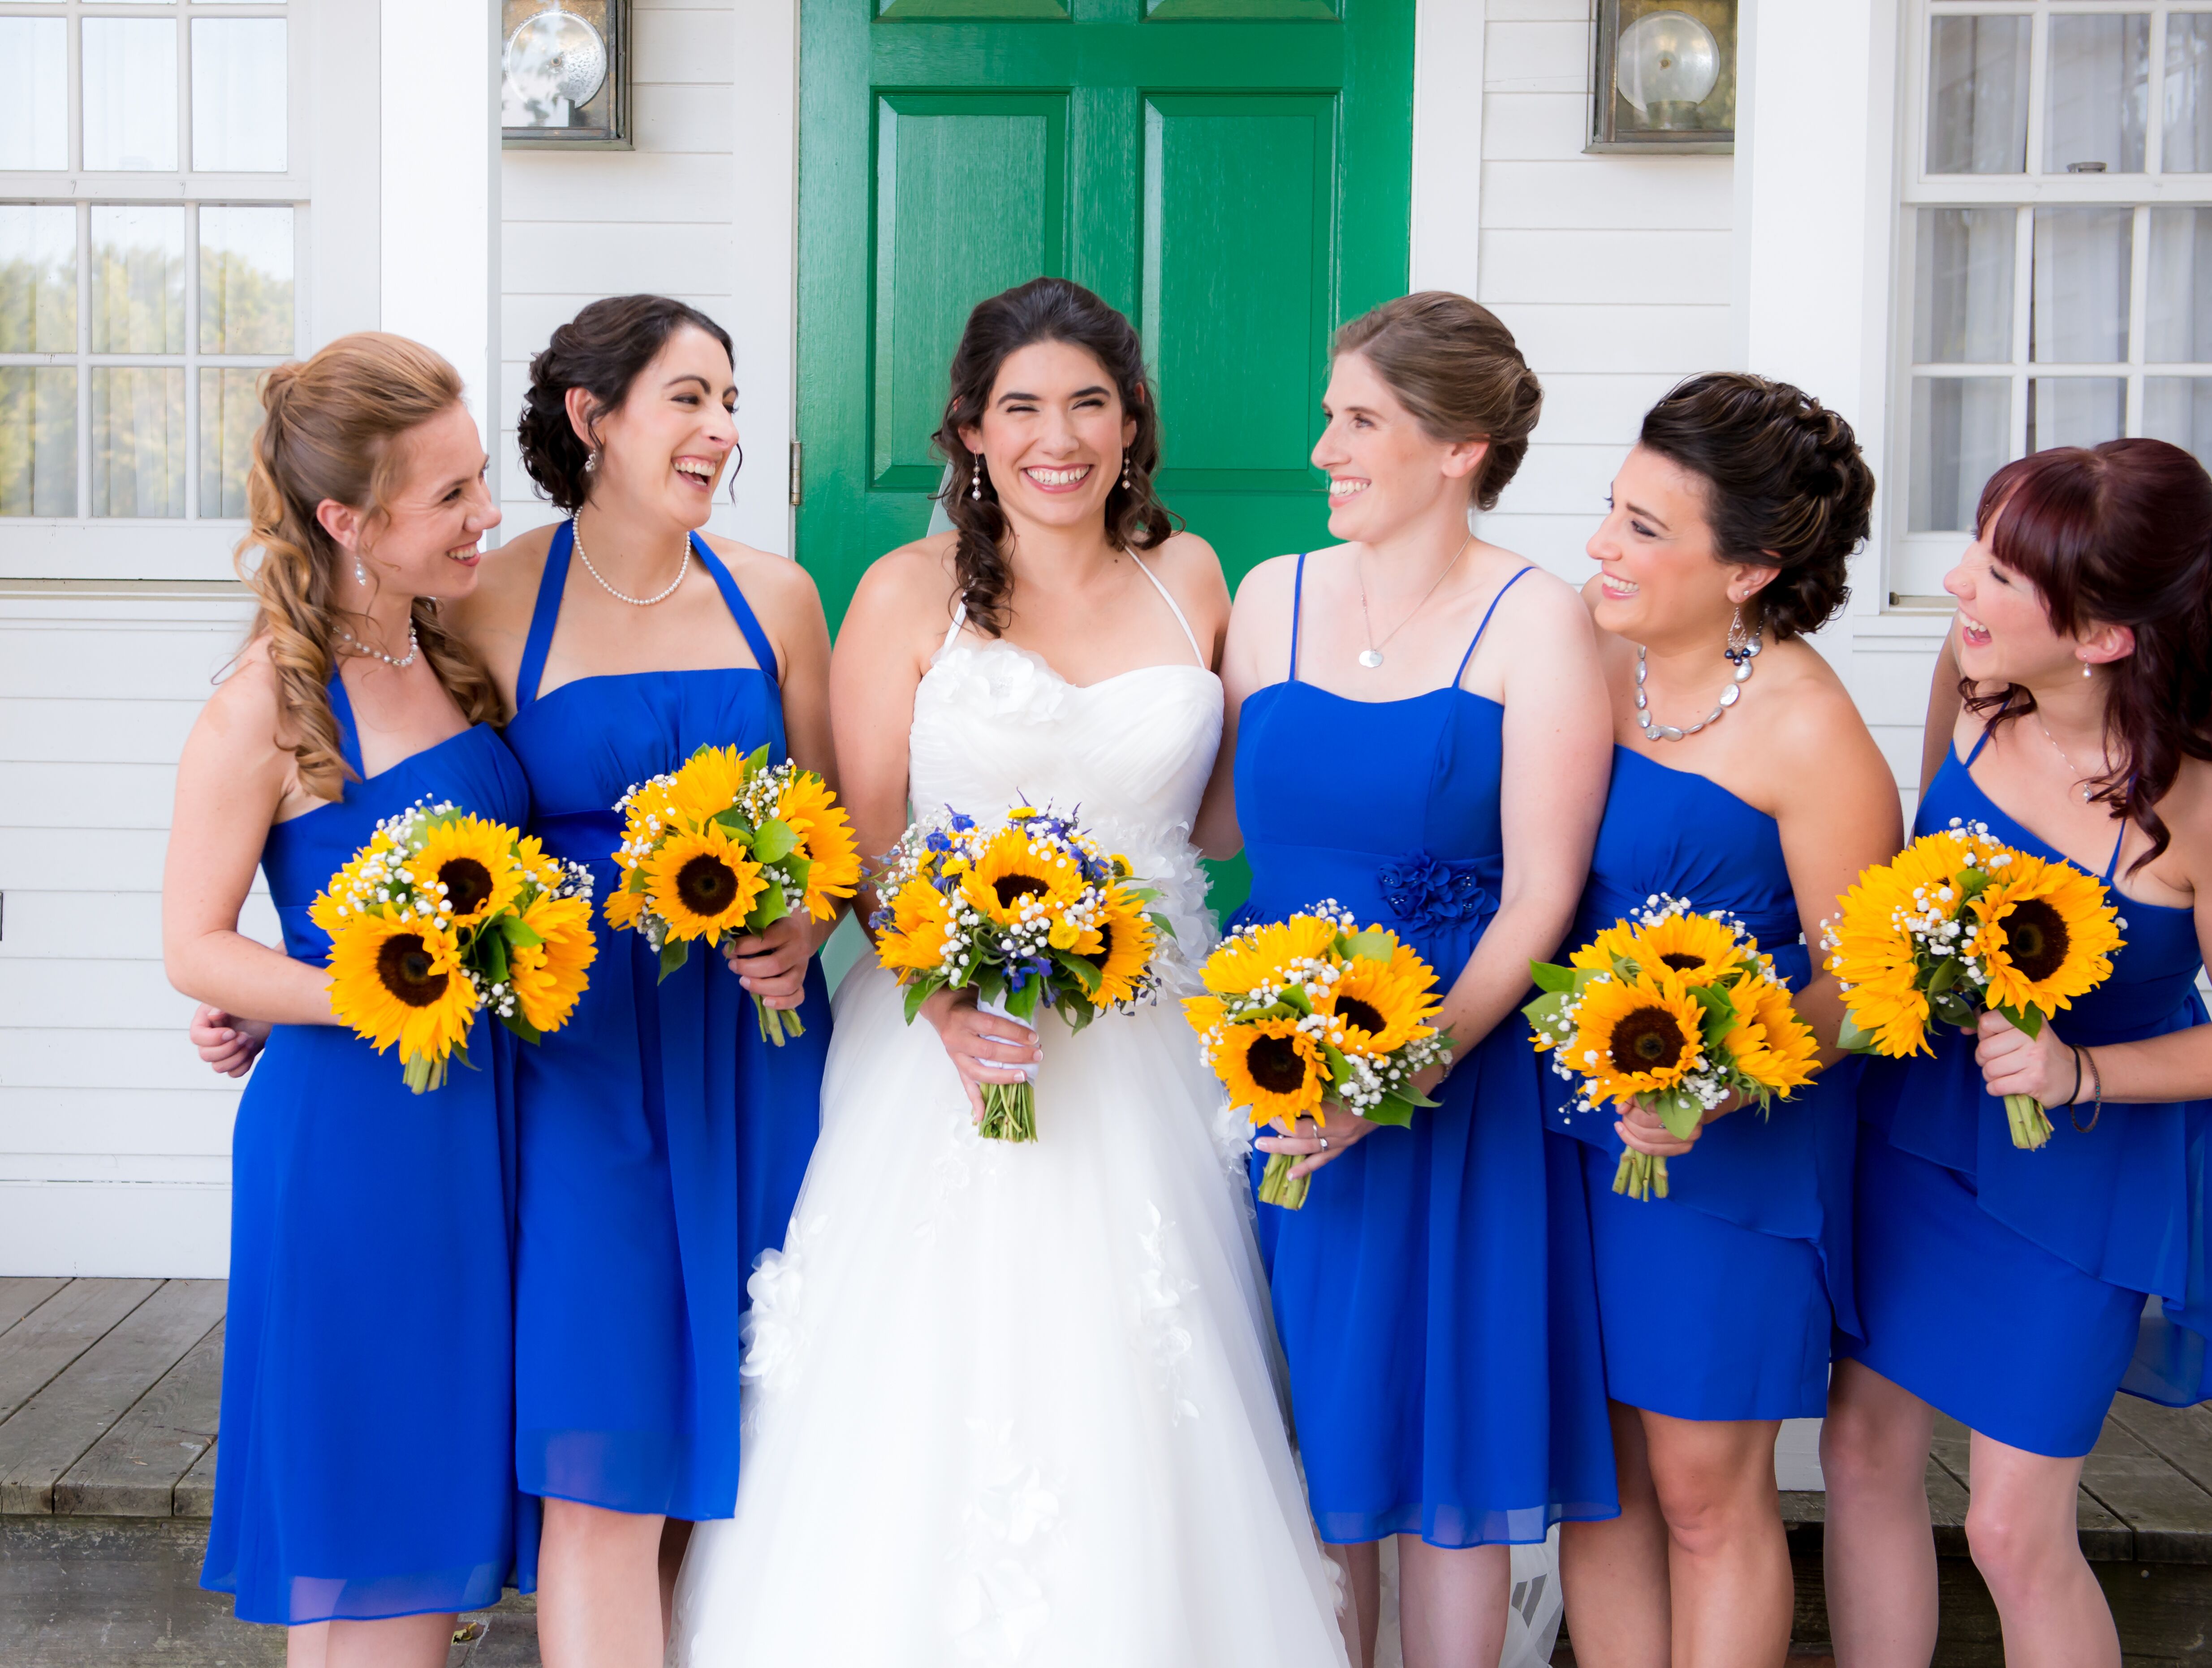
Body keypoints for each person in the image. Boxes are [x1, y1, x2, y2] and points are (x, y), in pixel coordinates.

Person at [667, 277, 1348, 1665]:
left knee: (1141, 1374)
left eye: (1090, 403)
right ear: (970, 429)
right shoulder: (904, 591)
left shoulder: (1199, 576)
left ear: (1130, 420)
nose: (1059, 437)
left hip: (1148, 1040)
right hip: (944, 1040)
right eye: (1023, 406)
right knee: (928, 1372)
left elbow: (1225, 813)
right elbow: (864, 834)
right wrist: (951, 988)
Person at [1818, 439, 2212, 1668]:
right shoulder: (1976, 682)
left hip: (2083, 1173)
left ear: (2103, 635)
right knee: (1858, 1454)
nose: (1956, 588)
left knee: (2009, 1528)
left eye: (2000, 573)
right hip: (1915, 1128)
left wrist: (2076, 1074)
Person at [1198, 290, 1618, 1668]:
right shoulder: (1268, 599)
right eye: (1331, 414)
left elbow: (1542, 893)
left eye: (1359, 420)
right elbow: (1199, 831)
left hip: (1453, 1090)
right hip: (1266, 1076)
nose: (1323, 446)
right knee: (1302, 1445)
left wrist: (1395, 1073)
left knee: (1445, 1461)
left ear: (1461, 447)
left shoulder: (1537, 620)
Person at [449, 295, 837, 1668]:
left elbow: (834, 826)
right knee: (602, 1438)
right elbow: (404, 810)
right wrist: (273, 975)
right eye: (688, 398)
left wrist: (803, 922)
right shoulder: (490, 596)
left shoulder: (774, 593)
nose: (722, 429)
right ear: (591, 417)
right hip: (583, 1065)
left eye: (729, 398)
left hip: (758, 1048)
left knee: (755, 1420)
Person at [163, 334, 532, 1665]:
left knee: (412, 1540)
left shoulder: (447, 650)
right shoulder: (264, 700)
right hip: (356, 1154)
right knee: (375, 1545)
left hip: (473, 1140)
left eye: (479, 477)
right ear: (346, 519)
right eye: (451, 494)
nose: (486, 512)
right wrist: (362, 990)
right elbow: (198, 946)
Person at [1544, 373, 1895, 1668]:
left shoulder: (1809, 733)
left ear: (1748, 569)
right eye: (1611, 511)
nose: (1600, 546)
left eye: (1644, 527)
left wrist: (1717, 1080)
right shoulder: (1590, 644)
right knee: (1603, 1479)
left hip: (1725, 1160)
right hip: (1570, 1126)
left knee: (1702, 1490)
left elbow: (1866, 980)